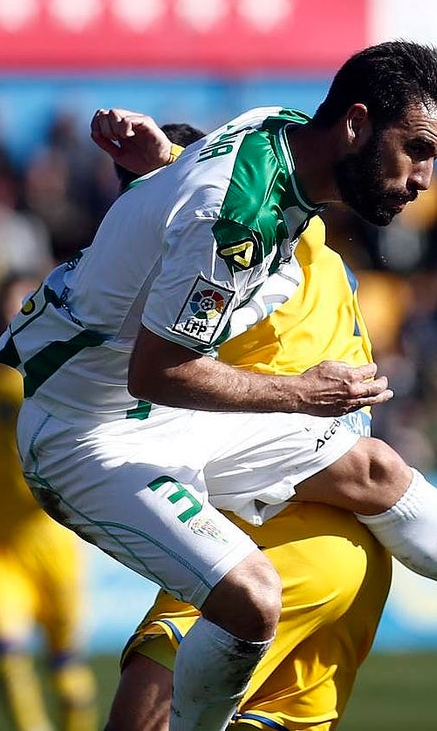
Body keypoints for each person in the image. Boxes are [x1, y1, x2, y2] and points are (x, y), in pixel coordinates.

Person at [0, 41, 437, 731]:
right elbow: (159, 369)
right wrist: (304, 393)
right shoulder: (235, 219)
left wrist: (163, 159)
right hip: (87, 441)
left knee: (373, 468)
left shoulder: (278, 132)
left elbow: (203, 183)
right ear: (353, 124)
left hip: (145, 409)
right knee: (253, 598)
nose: (426, 178)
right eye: (416, 149)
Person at [107, 119, 394, 731]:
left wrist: (166, 163)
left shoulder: (225, 255)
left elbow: (210, 207)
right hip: (358, 549)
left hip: (261, 536)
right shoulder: (308, 238)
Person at [0, 279, 97, 731]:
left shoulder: (70, 370)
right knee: (6, 659)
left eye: (26, 304)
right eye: (9, 306)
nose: (17, 314)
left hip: (55, 540)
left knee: (68, 676)